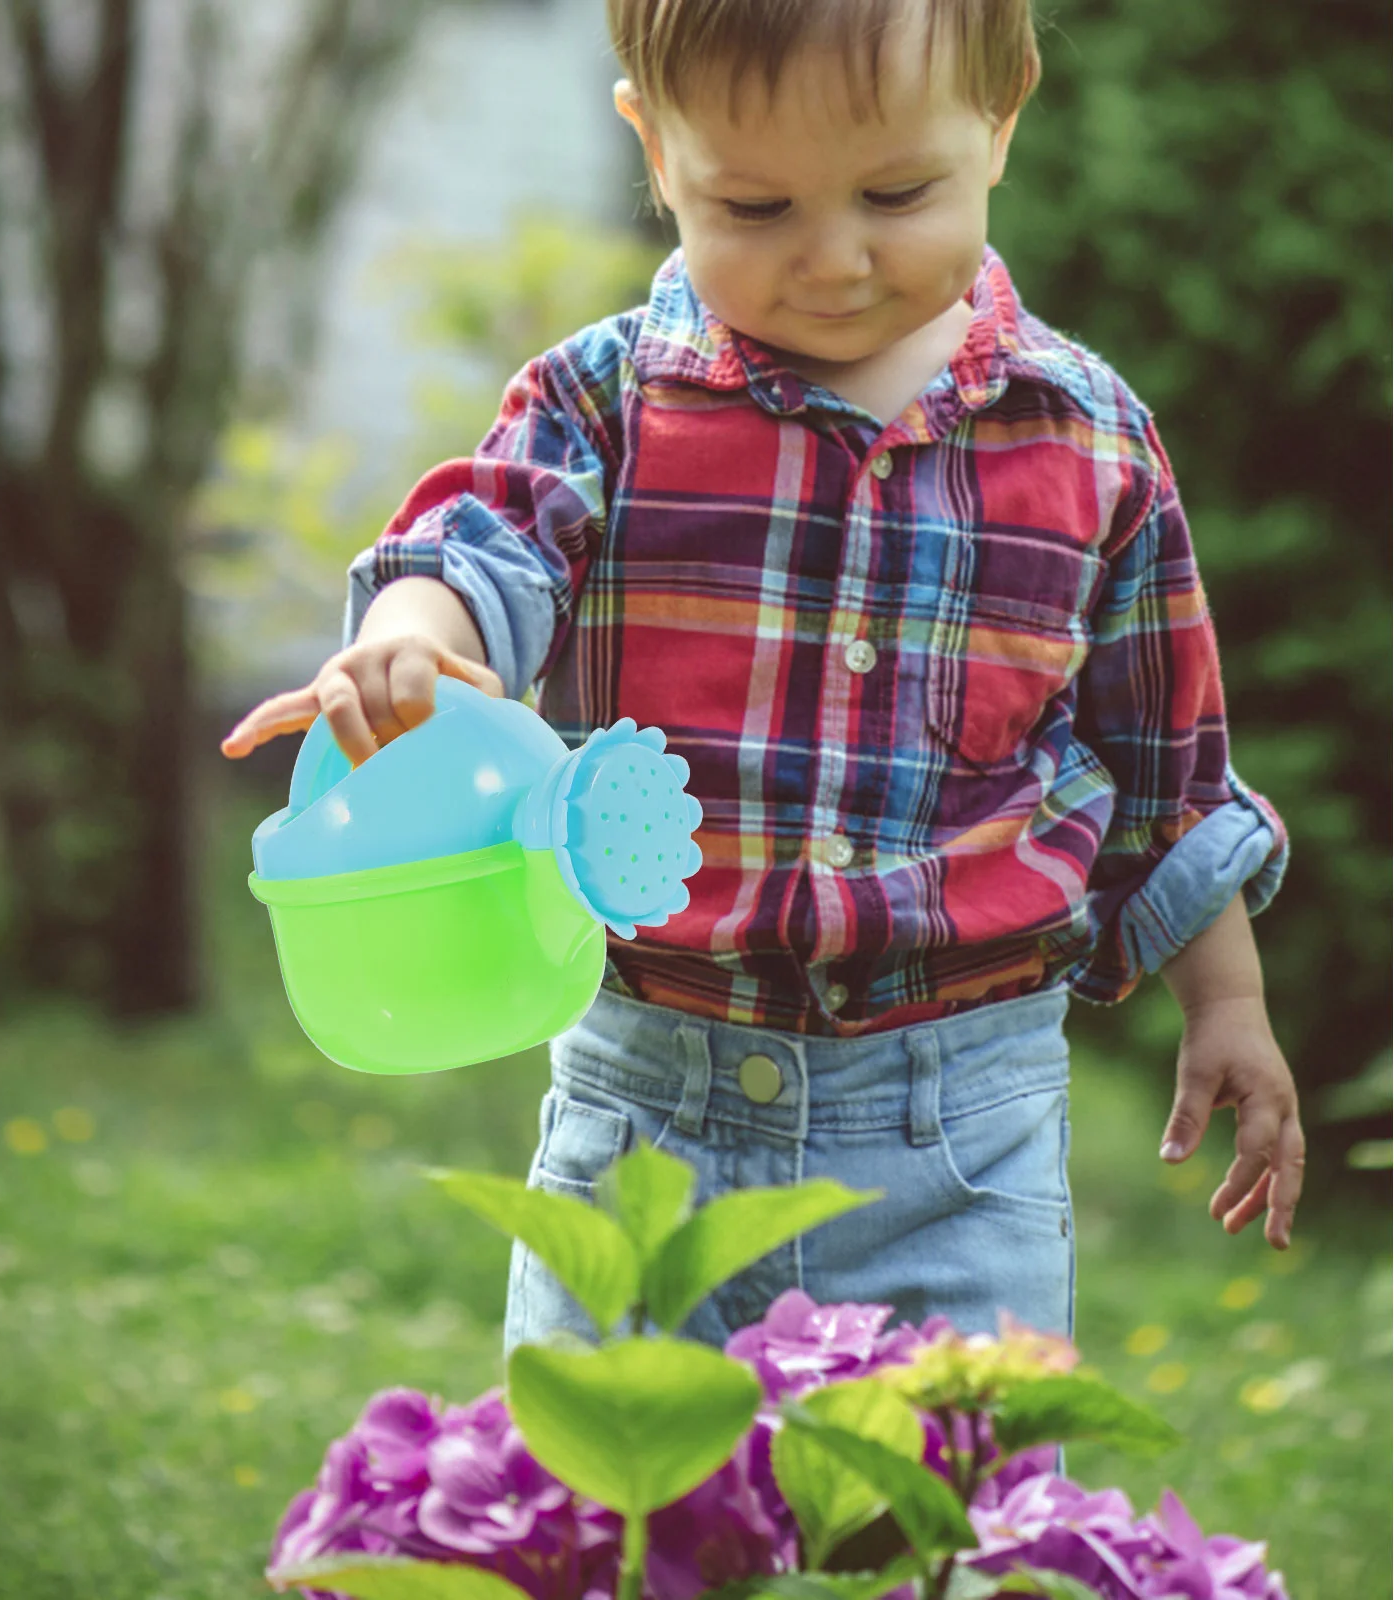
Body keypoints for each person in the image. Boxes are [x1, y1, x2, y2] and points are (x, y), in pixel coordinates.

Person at [222, 0, 1304, 1355]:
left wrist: (1231, 1004)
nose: (834, 258)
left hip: (957, 1138)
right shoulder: (607, 405)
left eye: (898, 192)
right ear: (658, 153)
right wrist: (422, 634)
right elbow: (485, 535)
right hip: (645, 1112)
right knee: (610, 1520)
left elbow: (1167, 770)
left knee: (944, 1522)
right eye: (755, 205)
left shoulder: (1091, 445)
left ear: (1004, 116)